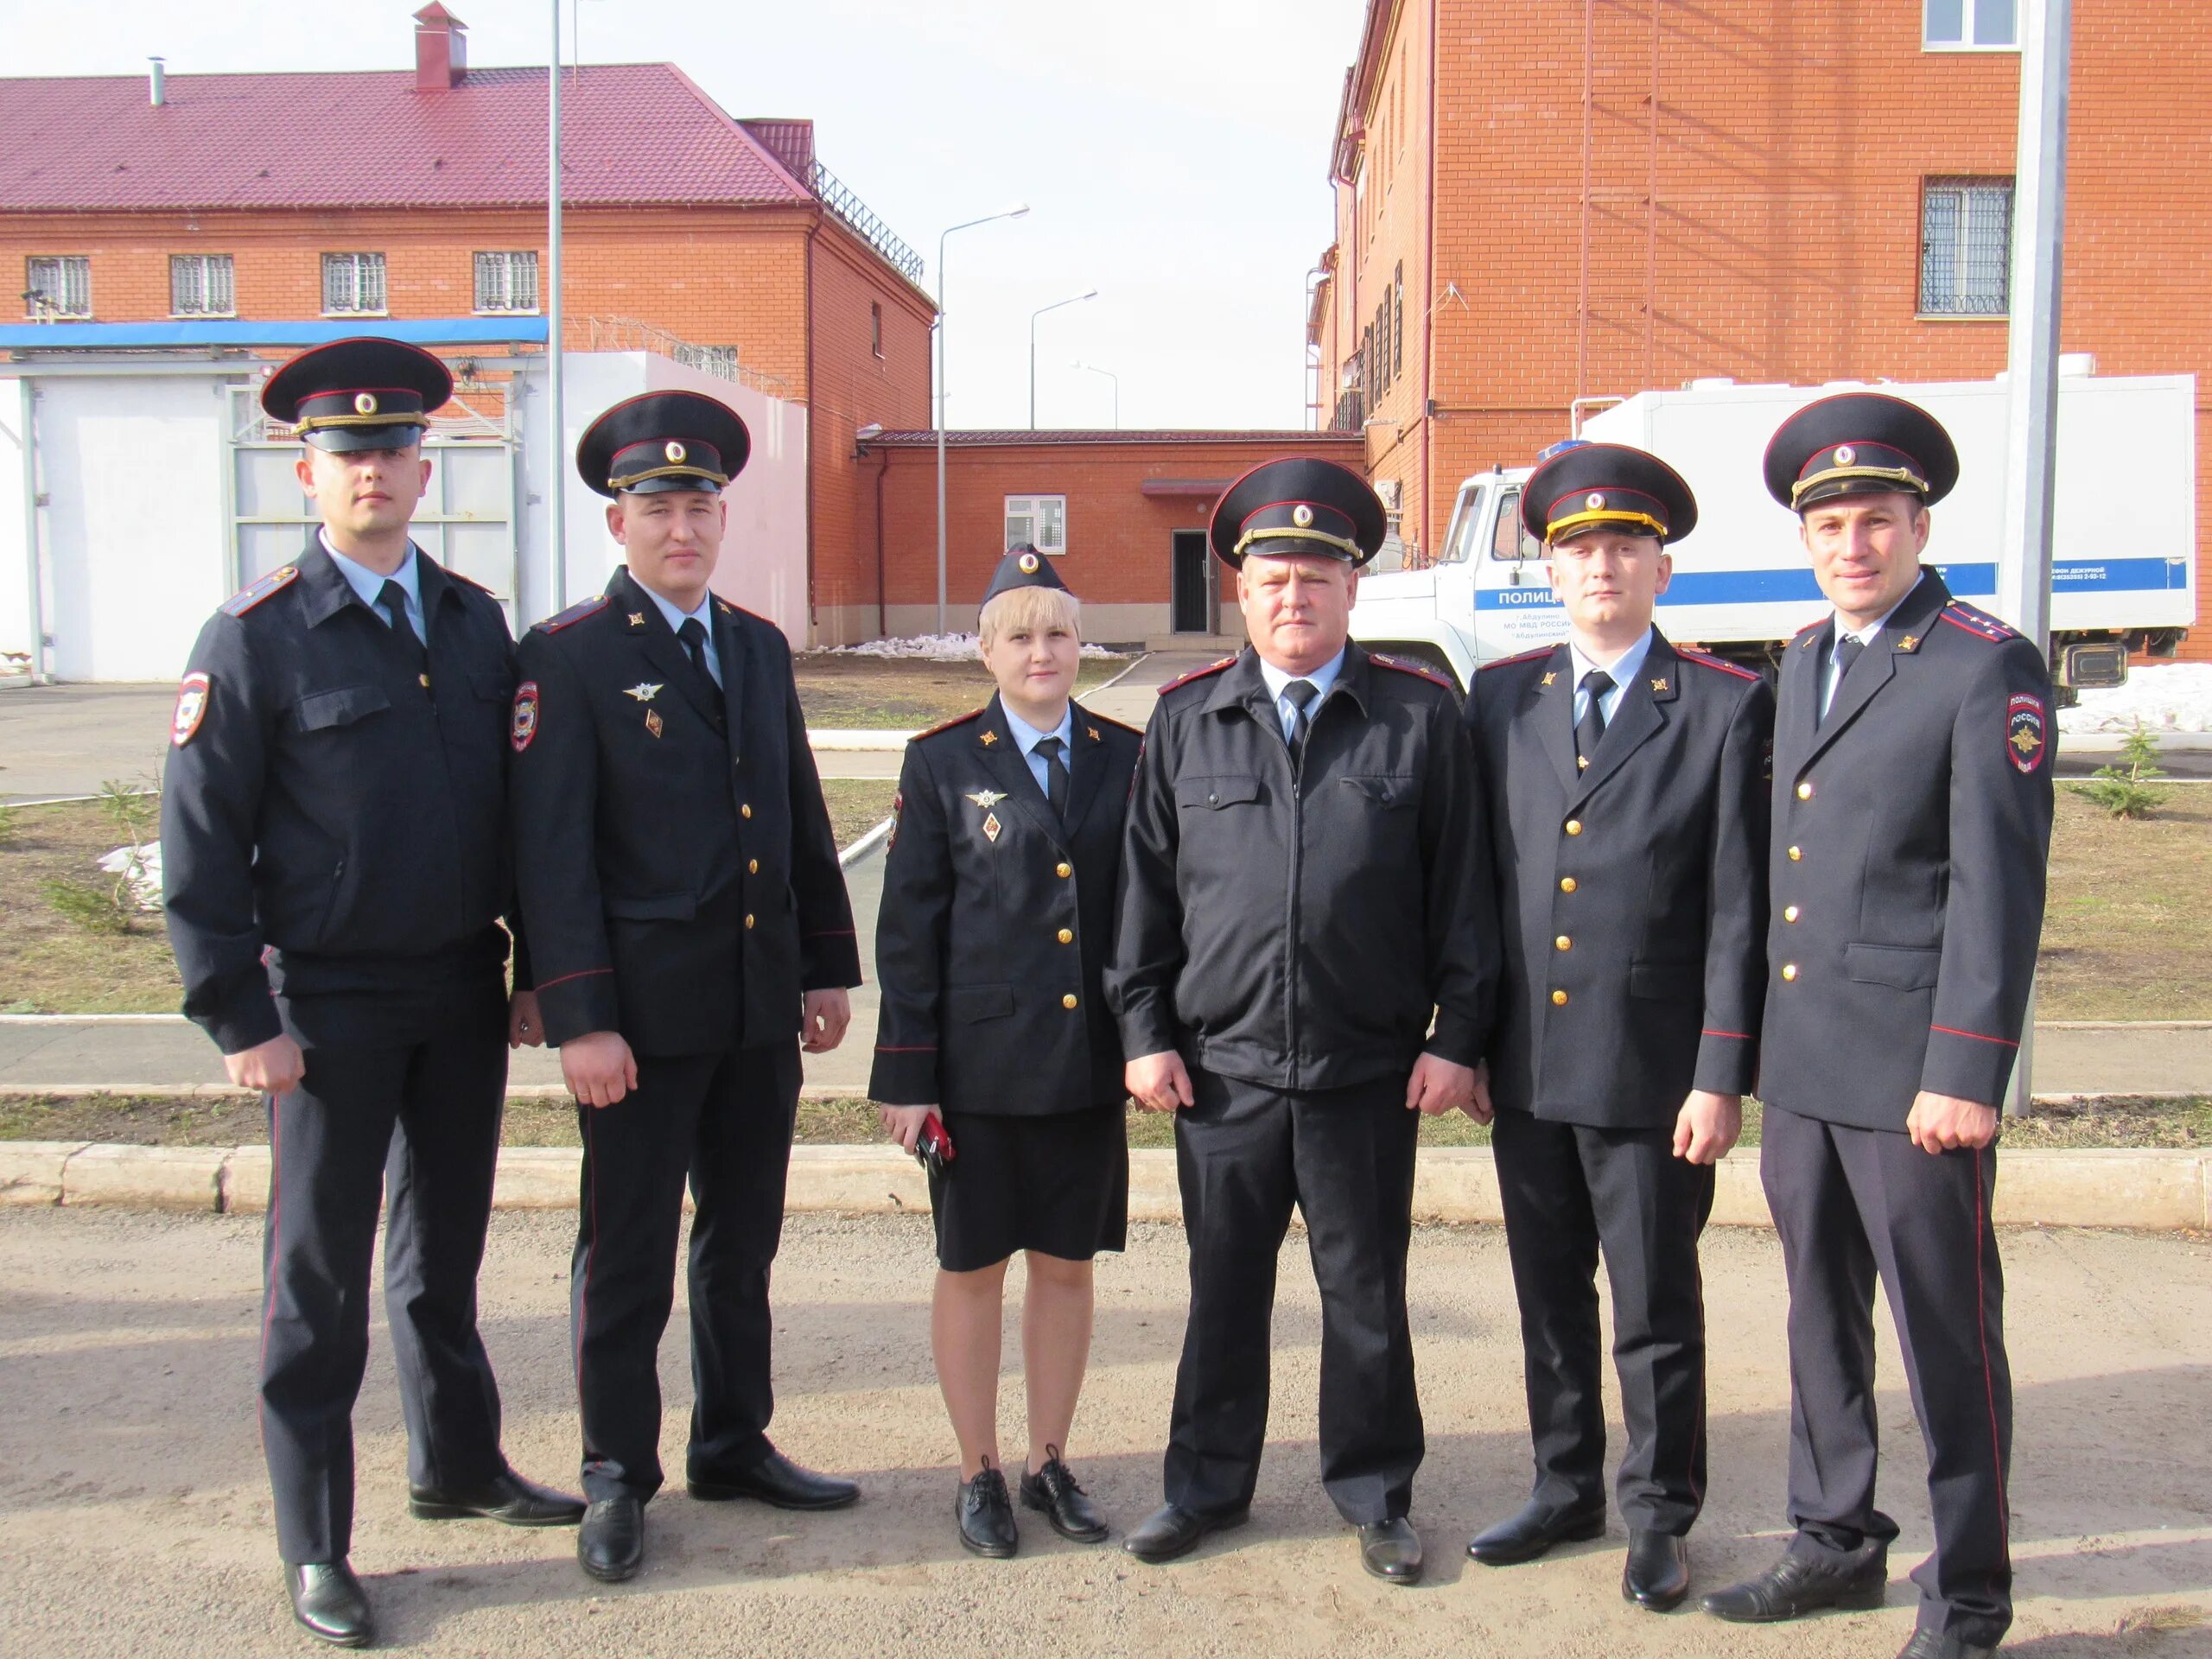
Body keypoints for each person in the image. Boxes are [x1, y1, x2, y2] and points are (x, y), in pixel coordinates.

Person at [162, 337, 582, 1648]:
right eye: (348, 454)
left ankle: (457, 1465)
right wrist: (243, 1019)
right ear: (308, 470)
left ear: (422, 463)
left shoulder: (470, 623)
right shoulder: (254, 636)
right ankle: (316, 1546)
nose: (373, 471)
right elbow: (199, 842)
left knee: (439, 1256)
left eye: (394, 449)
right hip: (324, 1008)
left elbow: (514, 812)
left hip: (457, 992)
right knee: (318, 1283)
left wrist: (526, 973)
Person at [1701, 394, 2054, 1659]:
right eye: (1832, 525)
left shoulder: (1980, 662)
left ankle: (1969, 1597)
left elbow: (1996, 888)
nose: (1855, 544)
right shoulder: (1803, 661)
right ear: (1807, 539)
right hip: (1807, 1068)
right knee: (1817, 1317)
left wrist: (1966, 1071)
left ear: (1919, 526)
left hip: (1916, 1082)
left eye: (1878, 521)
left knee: (1946, 1339)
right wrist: (1739, 1063)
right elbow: (1780, 877)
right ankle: (1835, 1541)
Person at [1107, 456, 1497, 1584]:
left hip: (1366, 1069)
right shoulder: (1186, 722)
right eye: (1274, 576)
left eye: (1317, 576)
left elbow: (1462, 898)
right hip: (1219, 1072)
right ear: (1242, 589)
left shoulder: (1419, 721)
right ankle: (1205, 1489)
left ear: (1352, 589)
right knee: (1224, 1289)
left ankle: (1375, 1492)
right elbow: (1146, 894)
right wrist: (1145, 1034)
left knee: (1364, 1292)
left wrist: (1455, 1037)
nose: (1295, 596)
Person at [507, 391, 863, 1584]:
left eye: (700, 503)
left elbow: (798, 811)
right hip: (641, 1022)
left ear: (722, 518)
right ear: (618, 524)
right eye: (656, 506)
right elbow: (551, 854)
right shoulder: (568, 657)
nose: (681, 526)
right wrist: (580, 1014)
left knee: (742, 1240)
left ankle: (733, 1438)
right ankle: (618, 1472)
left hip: (756, 1005)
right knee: (626, 1255)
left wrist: (823, 962)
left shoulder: (755, 645)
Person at [1459, 443, 1772, 1611]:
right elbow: (1484, 885)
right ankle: (1563, 1485)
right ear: (1550, 569)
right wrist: (1472, 1037)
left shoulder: (1724, 706)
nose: (1603, 566)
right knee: (1549, 1297)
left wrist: (1721, 1071)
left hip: (1654, 1072)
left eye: (1625, 548)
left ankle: (1658, 1511)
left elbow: (1742, 905)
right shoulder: (1503, 698)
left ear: (1663, 569)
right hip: (1529, 1065)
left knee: (1653, 1304)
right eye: (1580, 549)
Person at [868, 547, 1142, 1557]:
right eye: (1020, 634)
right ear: (984, 649)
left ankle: (1048, 1459)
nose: (1042, 651)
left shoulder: (1125, 754)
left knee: (1067, 1266)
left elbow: (1146, 914)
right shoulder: (941, 762)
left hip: (1084, 1061)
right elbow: (909, 930)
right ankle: (977, 1467)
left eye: (1059, 632)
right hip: (978, 1070)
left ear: (1082, 646)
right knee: (973, 1265)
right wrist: (906, 1073)